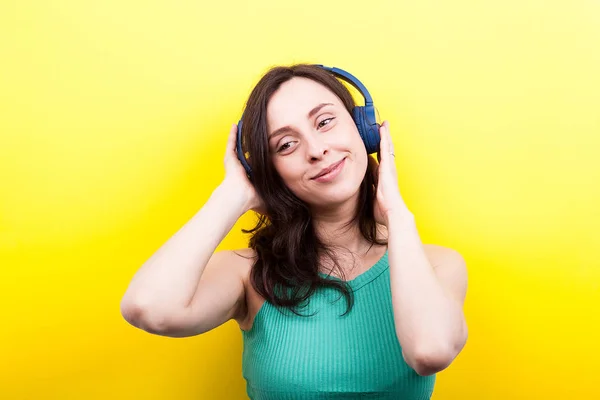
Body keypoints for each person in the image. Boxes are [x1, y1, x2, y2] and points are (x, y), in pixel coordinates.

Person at [120, 64, 468, 399]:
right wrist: (233, 195)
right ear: (270, 173)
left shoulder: (439, 267)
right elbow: (147, 307)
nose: (316, 150)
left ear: (365, 129)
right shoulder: (247, 274)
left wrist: (395, 213)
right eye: (286, 145)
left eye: (325, 122)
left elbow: (430, 351)